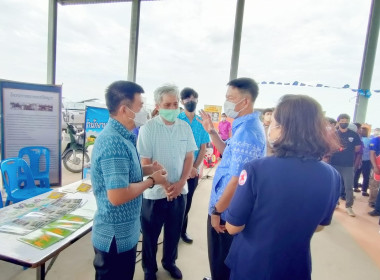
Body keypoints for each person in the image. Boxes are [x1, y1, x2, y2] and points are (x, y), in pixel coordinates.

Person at [224, 94, 341, 280]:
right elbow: (320, 226)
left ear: (283, 128)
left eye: (273, 122)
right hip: (296, 267)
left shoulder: (256, 169)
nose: (269, 127)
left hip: (254, 266)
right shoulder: (332, 175)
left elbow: (233, 227)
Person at [91, 81, 168, 280]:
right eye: (140, 106)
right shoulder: (113, 142)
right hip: (114, 238)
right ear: (125, 110)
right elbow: (117, 195)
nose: (144, 111)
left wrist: (147, 169)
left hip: (125, 232)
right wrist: (151, 181)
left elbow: (122, 174)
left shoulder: (123, 136)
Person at [199, 77, 266, 280]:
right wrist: (211, 131)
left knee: (222, 263)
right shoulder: (242, 127)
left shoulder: (247, 132)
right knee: (220, 261)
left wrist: (216, 211)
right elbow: (227, 153)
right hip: (227, 207)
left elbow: (238, 181)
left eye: (230, 98)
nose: (226, 102)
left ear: (245, 101)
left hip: (227, 212)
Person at [137, 84, 197, 280]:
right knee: (150, 235)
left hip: (180, 192)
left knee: (173, 233)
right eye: (167, 104)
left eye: (175, 104)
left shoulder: (184, 127)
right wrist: (164, 184)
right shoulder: (148, 129)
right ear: (157, 105)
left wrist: (180, 183)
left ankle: (169, 262)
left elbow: (189, 157)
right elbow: (145, 162)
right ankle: (149, 268)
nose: (172, 109)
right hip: (154, 193)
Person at [178, 87, 210, 244]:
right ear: (182, 101)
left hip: (193, 171)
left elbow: (203, 147)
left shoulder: (200, 122)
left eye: (193, 99)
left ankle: (182, 231)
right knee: (175, 202)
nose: (191, 101)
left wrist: (194, 167)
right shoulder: (177, 119)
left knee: (187, 201)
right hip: (177, 169)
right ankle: (173, 231)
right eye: (187, 99)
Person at [330, 113, 361, 217]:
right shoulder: (333, 134)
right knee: (335, 185)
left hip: (348, 165)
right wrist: (338, 149)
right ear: (338, 122)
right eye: (342, 121)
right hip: (334, 164)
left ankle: (349, 206)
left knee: (348, 186)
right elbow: (329, 147)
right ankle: (335, 203)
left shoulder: (354, 134)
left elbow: (357, 148)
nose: (344, 122)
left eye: (346, 120)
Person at [353, 126, 371, 196]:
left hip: (357, 160)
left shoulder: (357, 139)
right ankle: (364, 190)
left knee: (357, 173)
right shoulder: (369, 140)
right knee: (366, 175)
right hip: (366, 160)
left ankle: (355, 186)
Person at [368, 134, 380, 216]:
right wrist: (375, 167)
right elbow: (372, 154)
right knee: (374, 185)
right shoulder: (375, 140)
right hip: (377, 166)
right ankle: (374, 203)